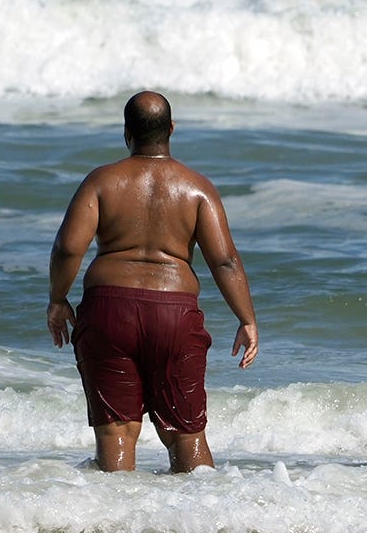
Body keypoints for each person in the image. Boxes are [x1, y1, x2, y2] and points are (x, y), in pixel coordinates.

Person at [46, 91, 258, 473]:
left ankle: (115, 528)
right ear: (172, 129)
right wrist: (246, 318)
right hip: (175, 315)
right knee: (186, 434)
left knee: (117, 433)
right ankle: (203, 523)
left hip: (109, 312)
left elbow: (66, 249)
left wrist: (57, 299)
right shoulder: (197, 188)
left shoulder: (101, 182)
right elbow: (224, 260)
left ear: (126, 132)